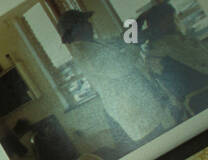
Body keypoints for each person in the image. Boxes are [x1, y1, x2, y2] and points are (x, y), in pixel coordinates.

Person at [58, 9, 176, 147]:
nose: (90, 25)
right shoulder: (85, 53)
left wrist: (136, 24)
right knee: (161, 144)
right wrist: (136, 43)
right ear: (76, 29)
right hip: (136, 112)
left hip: (142, 105)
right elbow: (120, 67)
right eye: (85, 22)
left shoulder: (95, 44)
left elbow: (122, 40)